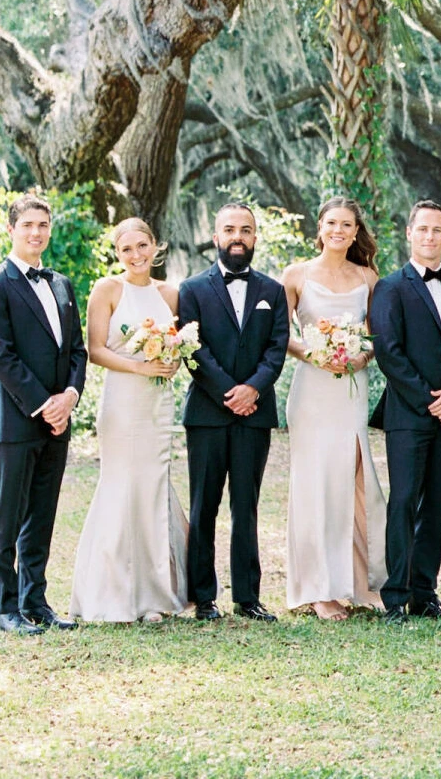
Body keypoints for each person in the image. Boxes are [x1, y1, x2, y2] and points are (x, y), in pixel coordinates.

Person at [0, 193, 89, 634]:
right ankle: (3, 609)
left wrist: (70, 397)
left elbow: (76, 349)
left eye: (43, 225)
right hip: (15, 421)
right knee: (9, 517)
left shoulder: (62, 284)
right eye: (28, 225)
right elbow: (0, 357)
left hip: (60, 420)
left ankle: (34, 602)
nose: (36, 232)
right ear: (11, 230)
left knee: (42, 515)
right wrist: (45, 404)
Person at [70, 217, 188, 624]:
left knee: (154, 484)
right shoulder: (107, 290)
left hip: (159, 404)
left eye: (143, 246)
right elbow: (96, 349)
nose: (136, 255)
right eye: (127, 249)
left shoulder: (170, 293)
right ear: (117, 253)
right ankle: (115, 594)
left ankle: (155, 594)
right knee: (121, 485)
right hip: (122, 401)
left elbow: (180, 344)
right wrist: (140, 368)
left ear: (156, 246)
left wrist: (171, 360)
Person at [178, 201, 290, 622]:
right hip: (207, 413)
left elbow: (276, 350)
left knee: (247, 505)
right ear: (216, 237)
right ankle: (204, 598)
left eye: (245, 229)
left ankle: (248, 597)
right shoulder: (191, 290)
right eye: (229, 229)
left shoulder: (273, 291)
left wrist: (252, 390)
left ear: (255, 237)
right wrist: (230, 391)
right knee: (204, 504)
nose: (237, 237)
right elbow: (193, 349)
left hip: (255, 414)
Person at [369, 199, 441, 621]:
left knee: (438, 504)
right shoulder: (390, 287)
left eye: (437, 230)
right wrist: (432, 400)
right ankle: (395, 595)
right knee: (405, 501)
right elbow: (389, 353)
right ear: (410, 233)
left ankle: (424, 592)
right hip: (409, 414)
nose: (430, 237)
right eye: (423, 229)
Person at [282, 197, 386, 620]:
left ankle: (358, 581)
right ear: (320, 228)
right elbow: (278, 335)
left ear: (356, 231)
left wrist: (363, 355)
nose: (339, 230)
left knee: (352, 480)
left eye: (347, 224)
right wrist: (312, 353)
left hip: (351, 389)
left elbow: (379, 335)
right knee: (315, 484)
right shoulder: (296, 275)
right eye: (331, 223)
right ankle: (319, 588)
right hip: (312, 391)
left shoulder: (368, 277)